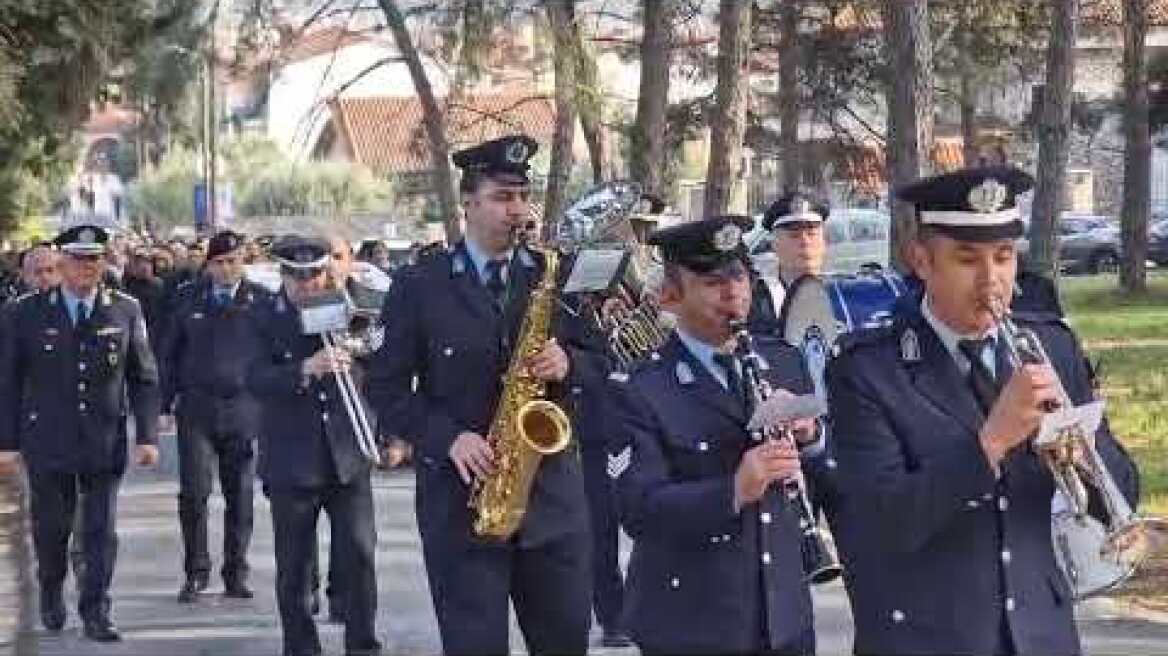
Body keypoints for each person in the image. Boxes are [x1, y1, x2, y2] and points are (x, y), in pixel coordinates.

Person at [827, 167, 1139, 655]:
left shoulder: (1052, 345)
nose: (991, 279)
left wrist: (1077, 440)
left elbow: (1118, 493)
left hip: (1041, 632)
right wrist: (989, 442)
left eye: (1003, 257)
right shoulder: (866, 369)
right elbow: (881, 522)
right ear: (922, 261)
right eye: (967, 259)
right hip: (927, 635)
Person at [368, 134, 607, 656]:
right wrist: (447, 437)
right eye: (502, 197)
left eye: (522, 196)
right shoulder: (419, 286)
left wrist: (570, 364)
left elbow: (605, 364)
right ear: (468, 202)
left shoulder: (557, 276)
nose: (516, 210)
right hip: (463, 507)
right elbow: (383, 386)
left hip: (553, 506)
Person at [606, 215, 829, 655]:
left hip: (783, 615)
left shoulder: (781, 360)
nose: (734, 294)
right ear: (670, 296)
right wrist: (734, 488)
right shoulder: (641, 387)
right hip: (692, 620)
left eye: (739, 276)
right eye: (711, 282)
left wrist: (812, 437)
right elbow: (639, 511)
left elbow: (831, 473)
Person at [0, 224, 161, 642]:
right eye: (78, 259)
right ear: (62, 262)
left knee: (100, 531)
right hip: (48, 440)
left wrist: (146, 435)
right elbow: (9, 381)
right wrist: (7, 443)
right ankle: (51, 588)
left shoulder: (124, 310)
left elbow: (143, 377)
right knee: (51, 529)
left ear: (104, 262)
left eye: (94, 258)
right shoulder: (25, 312)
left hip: (103, 441)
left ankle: (97, 610)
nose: (87, 267)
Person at [246, 235, 382, 656]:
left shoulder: (350, 309)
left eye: (314, 275)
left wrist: (390, 433)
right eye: (297, 276)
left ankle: (363, 644)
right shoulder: (260, 316)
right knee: (294, 567)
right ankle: (301, 647)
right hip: (292, 458)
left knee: (359, 555)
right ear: (283, 275)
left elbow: (381, 368)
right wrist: (304, 368)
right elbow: (252, 377)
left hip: (346, 453)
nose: (306, 284)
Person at [159, 230, 267, 603]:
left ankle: (236, 573)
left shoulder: (262, 302)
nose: (226, 270)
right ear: (208, 266)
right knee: (194, 494)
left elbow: (275, 357)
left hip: (244, 410)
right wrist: (163, 405)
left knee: (241, 496)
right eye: (219, 263)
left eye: (232, 262)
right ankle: (196, 572)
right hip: (198, 411)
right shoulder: (188, 300)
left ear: (243, 262)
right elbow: (169, 354)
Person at [748, 192, 830, 335]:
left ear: (824, 241)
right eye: (794, 236)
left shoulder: (843, 295)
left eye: (812, 234)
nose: (805, 242)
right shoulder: (759, 303)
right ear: (775, 245)